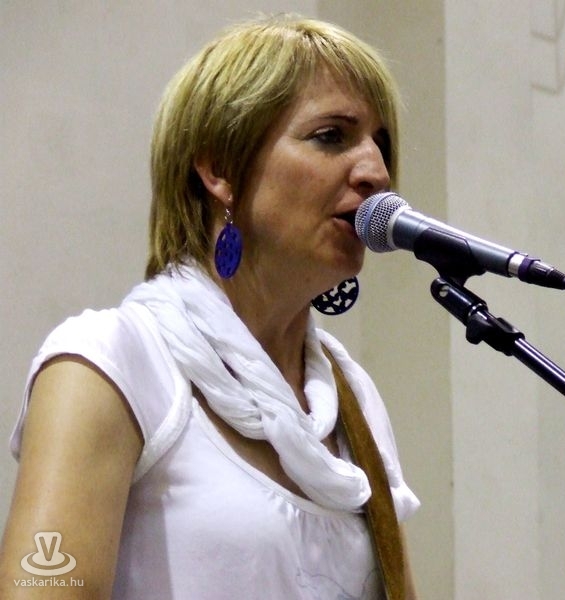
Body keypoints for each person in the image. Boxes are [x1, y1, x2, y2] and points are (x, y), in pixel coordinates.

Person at [0, 14, 420, 600]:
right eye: (331, 136)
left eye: (382, 144)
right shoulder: (109, 365)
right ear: (220, 169)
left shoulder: (353, 401)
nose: (377, 172)